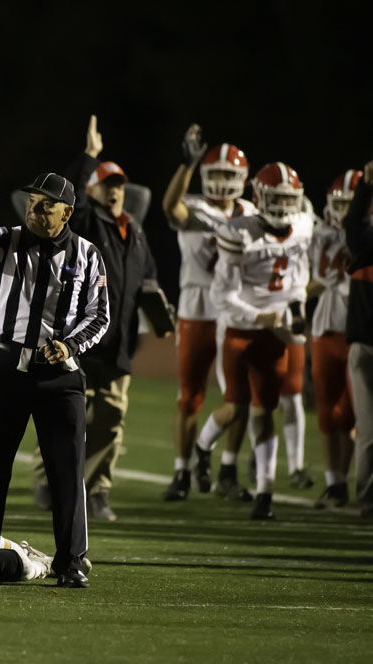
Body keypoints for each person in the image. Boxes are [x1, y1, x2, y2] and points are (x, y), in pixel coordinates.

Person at [0, 162, 109, 588]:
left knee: (67, 470)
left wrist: (71, 345)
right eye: (31, 204)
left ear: (68, 213)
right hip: (8, 368)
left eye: (47, 207)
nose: (35, 211)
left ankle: (72, 561)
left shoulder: (87, 254)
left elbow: (100, 316)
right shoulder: (9, 240)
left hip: (60, 376)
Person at [33, 116, 163, 522]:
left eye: (120, 186)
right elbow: (71, 196)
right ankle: (48, 478)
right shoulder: (85, 223)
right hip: (78, 337)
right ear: (92, 192)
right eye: (108, 185)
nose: (116, 192)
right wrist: (89, 157)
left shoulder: (135, 231)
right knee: (64, 414)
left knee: (111, 421)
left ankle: (98, 490)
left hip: (118, 342)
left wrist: (157, 305)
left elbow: (148, 275)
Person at [160, 125, 257, 500]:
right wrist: (187, 164)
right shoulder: (195, 206)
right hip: (198, 307)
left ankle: (228, 469)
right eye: (213, 174)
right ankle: (182, 472)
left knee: (239, 394)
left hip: (237, 308)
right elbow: (172, 207)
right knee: (190, 396)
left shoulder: (252, 212)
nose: (220, 182)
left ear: (244, 180)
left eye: (228, 175)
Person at [212, 162, 313, 520]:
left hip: (275, 332)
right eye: (276, 198)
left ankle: (265, 492)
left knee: (264, 411)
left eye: (289, 199)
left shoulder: (302, 226)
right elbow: (221, 296)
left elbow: (300, 278)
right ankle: (203, 452)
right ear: (259, 197)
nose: (284, 207)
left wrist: (296, 308)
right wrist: (260, 316)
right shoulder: (239, 231)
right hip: (240, 327)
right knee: (236, 406)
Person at [309, 170, 359, 508]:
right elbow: (309, 280)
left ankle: (351, 481)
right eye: (340, 205)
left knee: (355, 413)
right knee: (328, 409)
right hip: (327, 326)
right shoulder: (320, 232)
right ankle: (335, 483)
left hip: (361, 328)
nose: (343, 212)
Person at [343, 160, 373, 518]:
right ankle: (365, 497)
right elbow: (354, 228)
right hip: (365, 344)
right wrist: (365, 187)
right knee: (367, 428)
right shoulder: (366, 243)